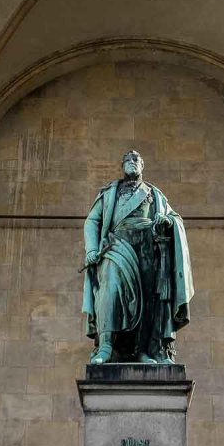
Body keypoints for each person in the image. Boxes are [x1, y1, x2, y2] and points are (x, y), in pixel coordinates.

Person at [82, 150, 193, 365]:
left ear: (142, 166)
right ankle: (106, 346)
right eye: (128, 160)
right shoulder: (110, 193)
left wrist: (168, 221)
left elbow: (174, 217)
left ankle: (144, 350)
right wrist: (91, 250)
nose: (132, 162)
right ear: (122, 165)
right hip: (115, 246)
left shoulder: (154, 194)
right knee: (109, 290)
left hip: (147, 248)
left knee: (149, 298)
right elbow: (92, 221)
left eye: (136, 160)